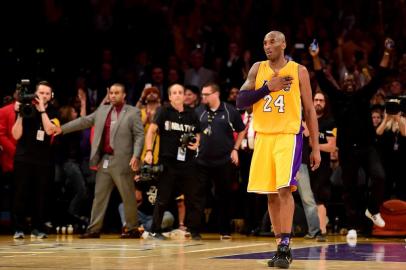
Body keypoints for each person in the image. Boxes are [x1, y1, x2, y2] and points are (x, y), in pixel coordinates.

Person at [236, 31, 321, 269]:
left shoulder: (298, 71)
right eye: (264, 42)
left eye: (272, 41)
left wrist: (315, 147)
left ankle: (285, 245)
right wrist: (267, 88)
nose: (268, 45)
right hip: (263, 137)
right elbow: (240, 102)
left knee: (285, 189)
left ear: (284, 44)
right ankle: (279, 247)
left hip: (287, 136)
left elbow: (310, 110)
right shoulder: (257, 69)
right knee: (270, 194)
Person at [310, 38, 393, 240]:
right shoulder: (337, 97)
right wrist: (314, 56)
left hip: (367, 146)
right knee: (350, 188)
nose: (348, 83)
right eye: (345, 81)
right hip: (347, 149)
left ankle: (372, 210)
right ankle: (352, 225)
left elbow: (379, 77)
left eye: (351, 82)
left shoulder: (363, 96)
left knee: (379, 176)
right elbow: (321, 77)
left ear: (356, 85)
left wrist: (387, 53)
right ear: (342, 84)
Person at [55, 83, 144, 239]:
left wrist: (136, 155)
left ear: (124, 95)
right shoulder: (102, 110)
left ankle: (132, 228)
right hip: (105, 159)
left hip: (123, 160)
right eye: (111, 93)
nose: (113, 95)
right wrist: (62, 129)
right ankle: (94, 229)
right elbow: (83, 121)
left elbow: (139, 136)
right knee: (99, 195)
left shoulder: (133, 112)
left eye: (117, 93)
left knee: (128, 195)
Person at [144, 84, 202, 240]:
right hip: (168, 161)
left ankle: (194, 229)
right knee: (163, 197)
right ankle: (155, 230)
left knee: (192, 197)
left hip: (187, 161)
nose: (177, 95)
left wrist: (197, 142)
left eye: (180, 92)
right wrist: (149, 151)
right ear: (169, 97)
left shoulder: (192, 113)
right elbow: (151, 131)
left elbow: (198, 133)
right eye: (174, 93)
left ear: (184, 96)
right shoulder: (164, 111)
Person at [196, 82, 246, 239]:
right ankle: (194, 230)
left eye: (206, 94)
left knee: (223, 196)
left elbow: (242, 130)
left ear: (216, 94)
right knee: (198, 195)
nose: (203, 97)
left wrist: (235, 149)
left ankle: (224, 230)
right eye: (202, 94)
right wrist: (196, 143)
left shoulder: (229, 111)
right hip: (202, 161)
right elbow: (195, 131)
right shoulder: (198, 112)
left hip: (223, 161)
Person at [11, 81, 59, 239]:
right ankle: (18, 228)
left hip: (43, 160)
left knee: (41, 195)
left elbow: (50, 130)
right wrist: (19, 115)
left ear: (51, 96)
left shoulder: (53, 111)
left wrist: (43, 111)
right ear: (35, 94)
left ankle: (38, 228)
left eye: (47, 93)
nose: (44, 96)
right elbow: (15, 135)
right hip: (23, 158)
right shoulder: (26, 108)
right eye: (41, 93)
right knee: (20, 193)